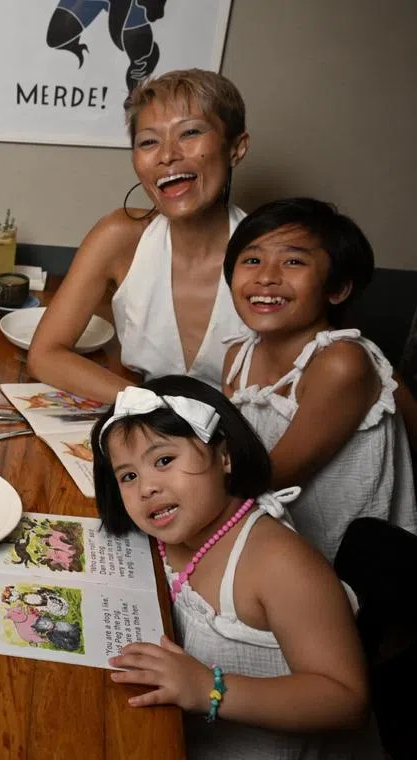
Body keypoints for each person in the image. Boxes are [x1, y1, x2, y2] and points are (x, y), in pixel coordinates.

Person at [93, 376, 374, 759]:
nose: (146, 488)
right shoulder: (165, 538)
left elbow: (346, 701)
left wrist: (209, 687)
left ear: (223, 456)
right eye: (129, 476)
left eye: (164, 460)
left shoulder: (279, 563)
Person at [27, 69, 249, 402]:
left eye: (189, 133)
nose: (167, 155)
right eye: (148, 141)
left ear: (236, 148)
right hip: (153, 431)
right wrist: (157, 408)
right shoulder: (120, 236)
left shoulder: (272, 254)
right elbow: (45, 354)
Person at [222, 198, 416, 562]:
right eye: (251, 259)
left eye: (293, 261)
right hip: (267, 530)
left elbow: (271, 477)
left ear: (337, 288)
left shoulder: (342, 362)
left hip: (345, 561)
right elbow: (234, 452)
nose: (265, 276)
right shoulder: (238, 357)